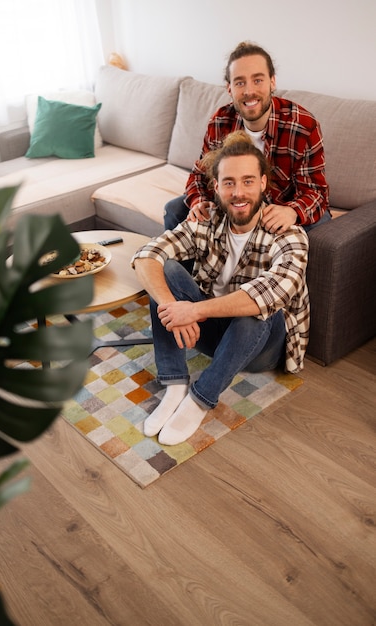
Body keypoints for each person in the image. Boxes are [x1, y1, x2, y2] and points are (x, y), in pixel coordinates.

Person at [132, 132, 309, 446]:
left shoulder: (290, 235)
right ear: (215, 187)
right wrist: (172, 305)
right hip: (209, 336)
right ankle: (174, 385)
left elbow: (275, 292)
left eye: (248, 181)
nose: (238, 193)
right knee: (165, 271)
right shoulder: (205, 220)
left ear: (264, 183)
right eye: (228, 182)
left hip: (258, 348)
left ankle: (200, 398)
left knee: (256, 308)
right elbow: (146, 256)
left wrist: (193, 310)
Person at [164, 41, 330, 235]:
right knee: (175, 210)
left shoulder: (302, 126)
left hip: (277, 210)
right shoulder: (221, 121)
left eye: (258, 80)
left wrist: (292, 211)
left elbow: (317, 193)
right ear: (229, 88)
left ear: (272, 82)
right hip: (235, 204)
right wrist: (199, 202)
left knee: (318, 222)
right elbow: (200, 175)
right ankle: (182, 265)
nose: (249, 91)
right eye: (240, 82)